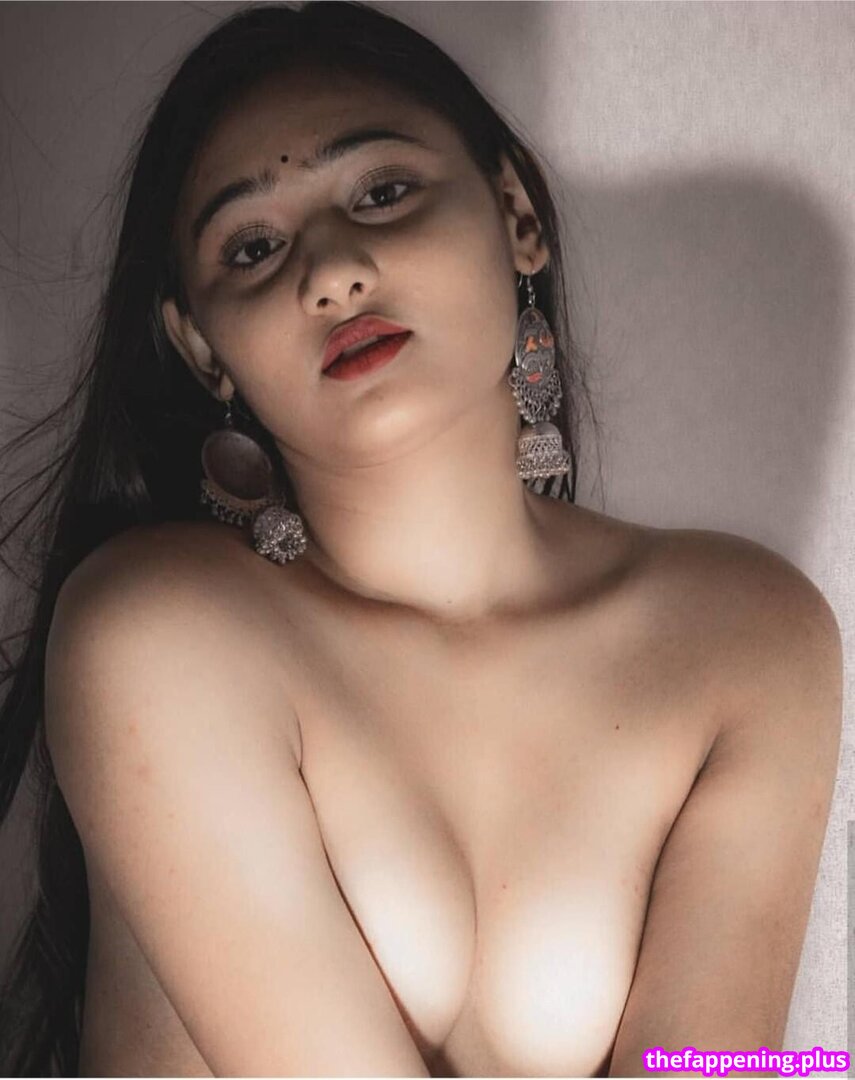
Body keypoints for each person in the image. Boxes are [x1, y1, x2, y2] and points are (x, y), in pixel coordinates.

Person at [0, 2, 842, 1077]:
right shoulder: (156, 631)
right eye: (253, 247)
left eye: (382, 193)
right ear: (203, 349)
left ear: (516, 214)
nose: (330, 273)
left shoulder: (749, 637)